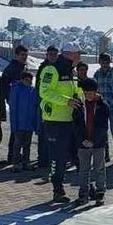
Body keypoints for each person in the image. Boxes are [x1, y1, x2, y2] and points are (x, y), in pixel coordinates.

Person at [39, 42, 83, 202]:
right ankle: (57, 190)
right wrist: (66, 101)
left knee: (78, 155)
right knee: (58, 158)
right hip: (55, 121)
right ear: (70, 54)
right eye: (78, 54)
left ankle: (86, 187)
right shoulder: (51, 69)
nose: (80, 57)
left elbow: (76, 91)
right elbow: (44, 92)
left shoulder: (72, 71)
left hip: (70, 120)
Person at [73, 78, 110, 206]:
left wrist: (94, 141)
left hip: (98, 143)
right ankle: (84, 193)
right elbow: (76, 125)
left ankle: (100, 192)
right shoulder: (79, 106)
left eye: (90, 93)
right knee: (84, 169)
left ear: (95, 92)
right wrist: (82, 140)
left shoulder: (103, 106)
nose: (88, 96)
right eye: (86, 93)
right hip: (82, 143)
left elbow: (103, 127)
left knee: (99, 168)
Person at [0, 44, 29, 164]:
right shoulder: (11, 69)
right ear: (16, 55)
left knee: (20, 130)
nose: (24, 57)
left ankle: (15, 154)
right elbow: (5, 87)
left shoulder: (23, 68)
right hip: (16, 104)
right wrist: (11, 101)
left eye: (26, 55)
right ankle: (12, 154)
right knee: (16, 130)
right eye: (22, 55)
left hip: (24, 104)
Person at [94, 52, 113, 165]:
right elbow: (95, 91)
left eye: (107, 62)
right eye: (103, 62)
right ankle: (105, 155)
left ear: (110, 62)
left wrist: (106, 103)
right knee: (102, 131)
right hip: (100, 108)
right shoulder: (97, 74)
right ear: (99, 62)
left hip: (112, 107)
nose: (105, 64)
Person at [7, 71, 39, 171]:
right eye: (26, 80)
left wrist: (35, 124)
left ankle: (26, 161)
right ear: (21, 80)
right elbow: (13, 107)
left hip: (29, 123)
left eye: (30, 80)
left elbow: (36, 108)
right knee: (17, 144)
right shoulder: (16, 89)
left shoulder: (33, 91)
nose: (28, 82)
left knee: (27, 144)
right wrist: (14, 124)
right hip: (19, 123)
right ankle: (16, 163)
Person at [35, 45, 58, 177]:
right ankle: (43, 159)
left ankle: (54, 158)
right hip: (45, 103)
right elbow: (40, 87)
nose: (53, 57)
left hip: (58, 105)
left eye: (55, 54)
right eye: (51, 54)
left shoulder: (60, 67)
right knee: (44, 132)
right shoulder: (44, 68)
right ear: (47, 55)